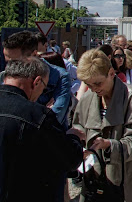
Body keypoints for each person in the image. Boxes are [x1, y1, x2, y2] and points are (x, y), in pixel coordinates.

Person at [73, 49, 132, 202]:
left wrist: (108, 145)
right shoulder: (87, 99)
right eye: (88, 84)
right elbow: (78, 128)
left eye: (98, 83)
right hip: (96, 180)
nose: (94, 89)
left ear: (111, 73)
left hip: (128, 178)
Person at [0, 56, 84, 202]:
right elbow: (70, 159)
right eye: (44, 88)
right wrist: (74, 136)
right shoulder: (37, 116)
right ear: (37, 82)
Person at [3, 31, 71, 127]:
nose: (10, 67)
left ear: (34, 54)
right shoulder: (4, 76)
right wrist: (43, 111)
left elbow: (55, 118)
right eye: (7, 62)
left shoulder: (60, 76)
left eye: (15, 62)